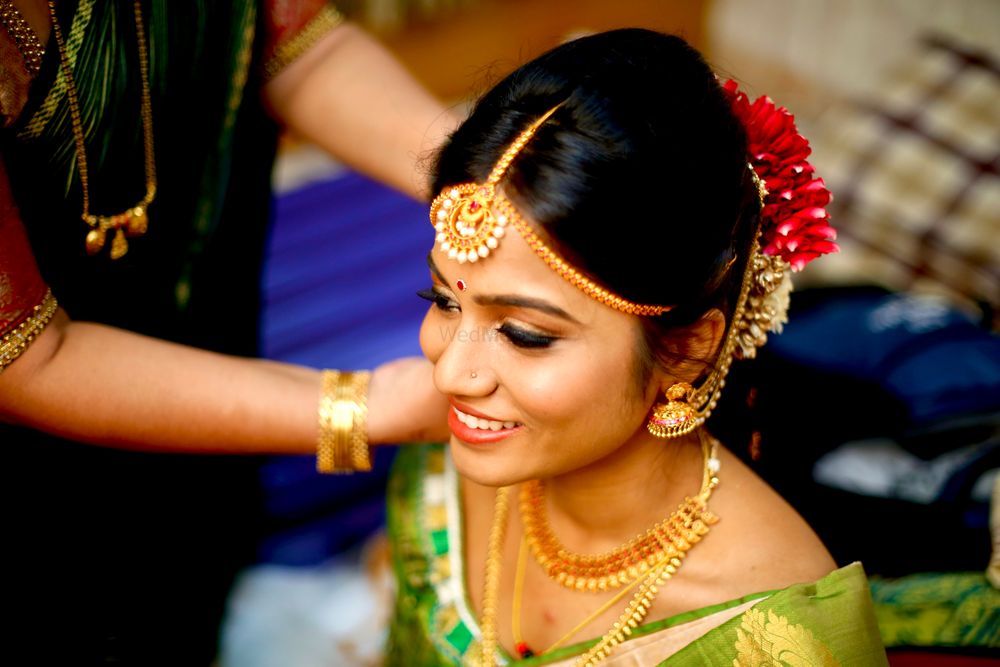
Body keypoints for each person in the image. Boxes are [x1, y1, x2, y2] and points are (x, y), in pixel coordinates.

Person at [383, 29, 887, 665]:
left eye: (525, 334)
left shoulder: (773, 634)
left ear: (685, 350)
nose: (452, 374)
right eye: (445, 302)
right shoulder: (447, 468)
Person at [0, 1, 452, 663]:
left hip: (212, 342)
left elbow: (295, 44)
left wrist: (492, 175)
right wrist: (366, 408)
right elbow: (28, 358)